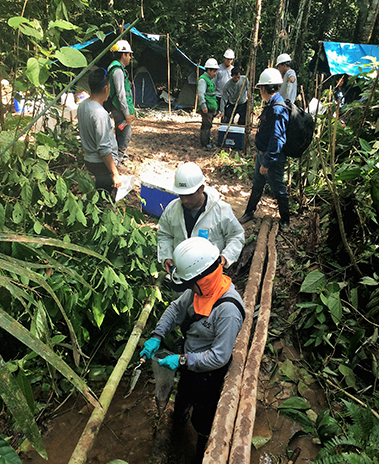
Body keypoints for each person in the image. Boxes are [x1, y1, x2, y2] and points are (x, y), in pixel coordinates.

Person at [140, 237, 245, 464]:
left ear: (204, 279)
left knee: (203, 419)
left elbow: (219, 356)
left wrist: (181, 361)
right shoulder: (199, 291)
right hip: (188, 360)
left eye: (191, 283)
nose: (188, 288)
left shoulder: (228, 310)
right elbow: (175, 308)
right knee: (183, 398)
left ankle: (200, 452)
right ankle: (177, 426)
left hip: (209, 373)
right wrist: (157, 335)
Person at [158, 162, 245, 274]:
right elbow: (165, 234)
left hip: (210, 275)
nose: (185, 200)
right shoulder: (172, 209)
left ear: (201, 189)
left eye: (189, 195)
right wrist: (166, 256)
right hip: (181, 273)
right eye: (181, 194)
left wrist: (225, 257)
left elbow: (236, 235)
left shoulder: (221, 210)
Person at [238, 68, 290, 230]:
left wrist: (266, 163)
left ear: (265, 88)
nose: (260, 91)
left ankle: (285, 221)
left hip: (272, 159)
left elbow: (277, 139)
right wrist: (258, 152)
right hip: (263, 155)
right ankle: (249, 212)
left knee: (278, 189)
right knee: (257, 185)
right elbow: (265, 133)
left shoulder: (278, 109)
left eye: (260, 88)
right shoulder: (270, 105)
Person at [77, 68, 122, 201]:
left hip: (90, 160)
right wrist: (115, 173)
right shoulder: (100, 114)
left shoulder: (83, 105)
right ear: (106, 88)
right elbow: (103, 148)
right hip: (101, 165)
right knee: (104, 203)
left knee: (95, 199)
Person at [106, 39, 135, 162]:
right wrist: (127, 113)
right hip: (119, 108)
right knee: (125, 134)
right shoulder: (117, 70)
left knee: (121, 131)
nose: (130, 58)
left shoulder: (118, 68)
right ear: (124, 54)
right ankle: (119, 158)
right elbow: (120, 94)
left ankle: (121, 156)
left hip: (119, 108)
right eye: (129, 55)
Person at [197, 58, 220, 150]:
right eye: (214, 71)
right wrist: (203, 106)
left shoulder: (209, 80)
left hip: (210, 107)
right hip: (206, 108)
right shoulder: (203, 80)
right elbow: (201, 94)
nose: (215, 73)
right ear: (209, 70)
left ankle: (207, 142)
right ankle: (205, 144)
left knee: (208, 125)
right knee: (206, 125)